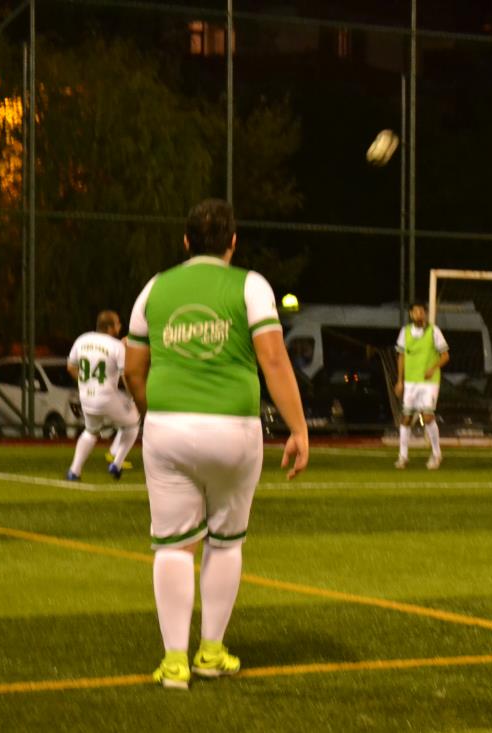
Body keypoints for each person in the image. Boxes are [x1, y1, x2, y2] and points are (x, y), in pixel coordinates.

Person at [123, 198, 309, 691]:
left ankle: (174, 663)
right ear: (233, 242)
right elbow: (273, 359)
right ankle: (210, 652)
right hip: (233, 428)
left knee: (172, 545)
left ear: (186, 241)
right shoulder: (251, 285)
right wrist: (298, 428)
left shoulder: (154, 288)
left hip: (168, 428)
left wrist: (154, 412)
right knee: (226, 541)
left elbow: (133, 369)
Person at [65, 310, 140, 482]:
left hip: (86, 397)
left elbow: (70, 367)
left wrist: (85, 383)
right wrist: (133, 396)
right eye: (118, 323)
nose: (120, 326)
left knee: (91, 432)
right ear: (110, 327)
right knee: (132, 424)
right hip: (106, 397)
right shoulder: (116, 346)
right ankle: (116, 463)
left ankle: (74, 471)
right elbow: (126, 376)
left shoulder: (82, 339)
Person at [394, 302, 451, 470]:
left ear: (425, 314)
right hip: (410, 382)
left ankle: (436, 454)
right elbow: (401, 356)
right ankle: (403, 456)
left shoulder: (434, 331)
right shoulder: (405, 332)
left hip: (429, 382)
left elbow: (445, 356)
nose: (418, 314)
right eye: (415, 312)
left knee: (427, 417)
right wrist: (400, 380)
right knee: (406, 418)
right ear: (411, 314)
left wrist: (433, 368)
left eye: (421, 311)